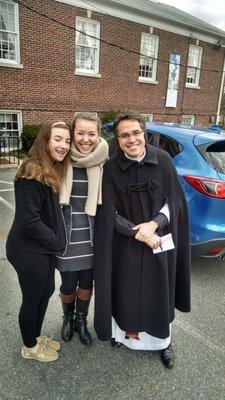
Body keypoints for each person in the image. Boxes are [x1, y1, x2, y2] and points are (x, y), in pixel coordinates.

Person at [94, 110, 190, 369]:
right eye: (124, 135)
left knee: (160, 291)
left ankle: (163, 342)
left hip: (160, 240)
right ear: (117, 140)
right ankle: (124, 335)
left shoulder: (164, 160)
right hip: (126, 244)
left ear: (144, 133)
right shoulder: (111, 169)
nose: (132, 139)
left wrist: (153, 225)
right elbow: (107, 213)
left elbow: (176, 202)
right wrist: (139, 232)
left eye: (136, 133)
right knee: (126, 290)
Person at [6, 121, 72, 363]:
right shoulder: (32, 171)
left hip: (41, 248)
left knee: (46, 291)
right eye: (58, 139)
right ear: (45, 140)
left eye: (67, 140)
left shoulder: (50, 167)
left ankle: (35, 336)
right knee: (33, 297)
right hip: (27, 249)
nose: (63, 145)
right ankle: (29, 347)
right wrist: (56, 240)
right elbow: (29, 221)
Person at [56, 112, 108, 346]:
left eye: (91, 134)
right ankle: (67, 318)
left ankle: (81, 321)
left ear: (98, 135)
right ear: (73, 133)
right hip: (66, 237)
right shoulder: (59, 160)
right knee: (68, 285)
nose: (86, 139)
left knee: (87, 283)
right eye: (80, 133)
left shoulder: (105, 163)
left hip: (91, 238)